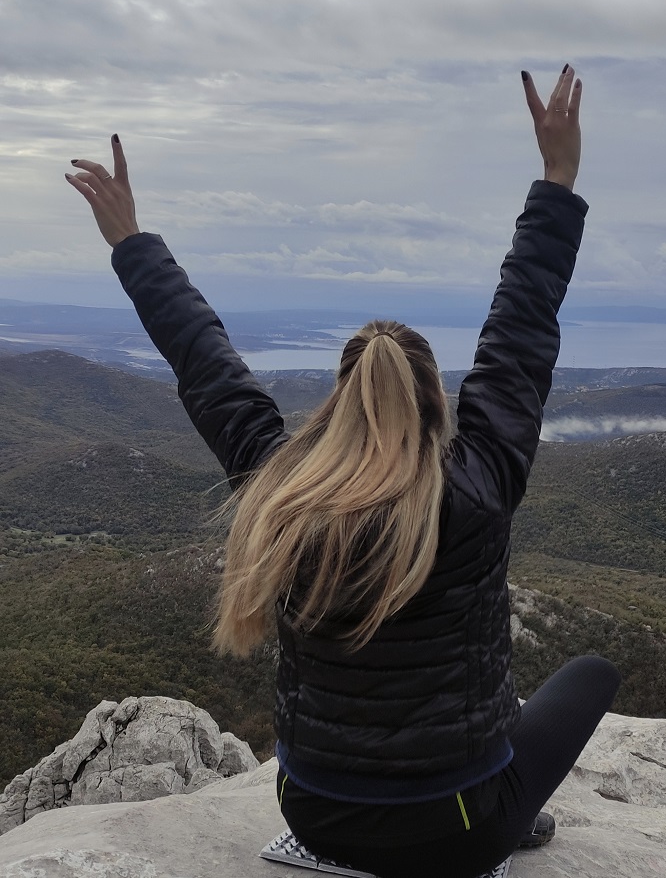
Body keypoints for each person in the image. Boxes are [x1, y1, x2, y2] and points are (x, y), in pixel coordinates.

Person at [65, 66, 621, 878]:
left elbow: (206, 363)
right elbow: (521, 328)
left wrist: (132, 242)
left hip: (316, 814)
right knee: (591, 674)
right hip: (456, 834)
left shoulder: (279, 485)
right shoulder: (477, 487)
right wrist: (557, 178)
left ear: (340, 402)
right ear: (437, 402)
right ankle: (504, 820)